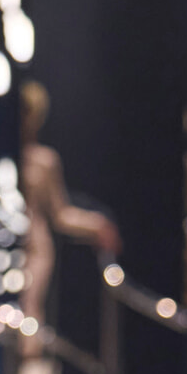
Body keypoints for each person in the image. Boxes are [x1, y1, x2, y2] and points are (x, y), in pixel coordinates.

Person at [20, 80, 121, 357]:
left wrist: (96, 224)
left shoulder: (45, 160)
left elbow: (61, 213)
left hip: (35, 247)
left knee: (28, 308)